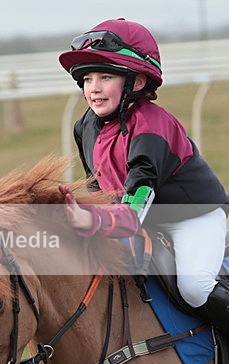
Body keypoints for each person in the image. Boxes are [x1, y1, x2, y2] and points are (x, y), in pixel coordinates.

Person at [57, 17, 229, 334]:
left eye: (105, 76)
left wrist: (92, 221)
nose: (93, 87)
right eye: (87, 78)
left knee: (194, 287)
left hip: (192, 218)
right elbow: (97, 189)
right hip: (142, 217)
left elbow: (134, 209)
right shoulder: (85, 126)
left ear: (136, 83)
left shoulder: (152, 129)